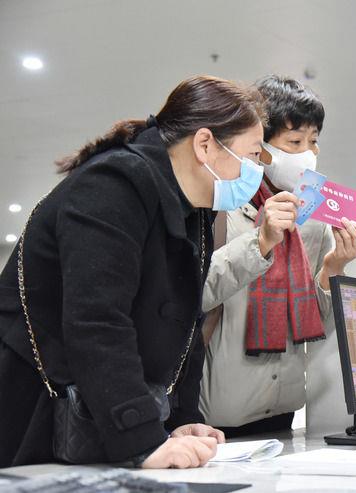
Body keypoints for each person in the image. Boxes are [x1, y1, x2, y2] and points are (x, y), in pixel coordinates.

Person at [0, 75, 267, 468]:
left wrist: (182, 419)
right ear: (205, 145)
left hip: (100, 412)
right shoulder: (112, 184)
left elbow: (185, 326)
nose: (256, 170)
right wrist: (142, 439)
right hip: (38, 410)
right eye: (253, 154)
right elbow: (97, 321)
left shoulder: (194, 212)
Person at [200, 75, 356, 435]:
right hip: (217, 411)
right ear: (259, 145)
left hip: (283, 406)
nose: (308, 152)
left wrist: (334, 266)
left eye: (314, 141)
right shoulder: (220, 206)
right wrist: (261, 241)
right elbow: (196, 292)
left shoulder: (312, 219)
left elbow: (315, 319)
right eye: (294, 141)